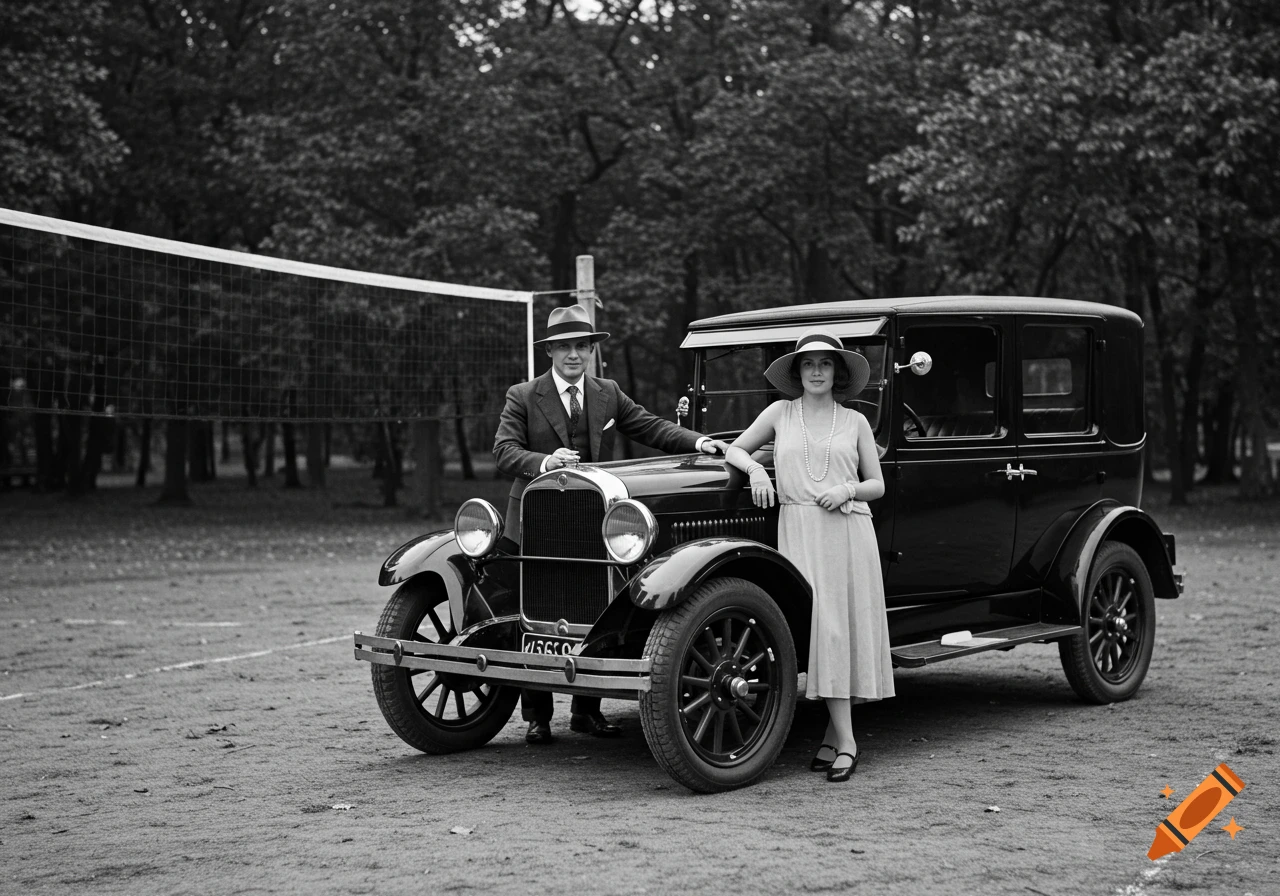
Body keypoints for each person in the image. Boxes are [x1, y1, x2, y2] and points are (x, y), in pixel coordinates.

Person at [494, 303, 729, 744]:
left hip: (595, 522)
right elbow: (504, 450)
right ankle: (537, 717)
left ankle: (587, 712)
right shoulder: (523, 395)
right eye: (564, 347)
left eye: (581, 347)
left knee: (597, 608)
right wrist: (544, 461)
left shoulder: (606, 392)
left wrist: (699, 441)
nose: (573, 356)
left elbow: (650, 427)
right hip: (534, 522)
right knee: (537, 615)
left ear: (590, 351)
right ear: (550, 352)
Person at [724, 327, 894, 782]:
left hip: (847, 530)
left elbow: (878, 485)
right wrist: (758, 470)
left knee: (839, 631)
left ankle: (847, 742)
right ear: (797, 372)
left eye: (824, 364)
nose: (816, 371)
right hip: (798, 528)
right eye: (808, 364)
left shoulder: (855, 421)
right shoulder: (780, 412)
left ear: (836, 372)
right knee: (818, 632)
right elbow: (735, 449)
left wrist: (847, 488)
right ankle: (834, 738)